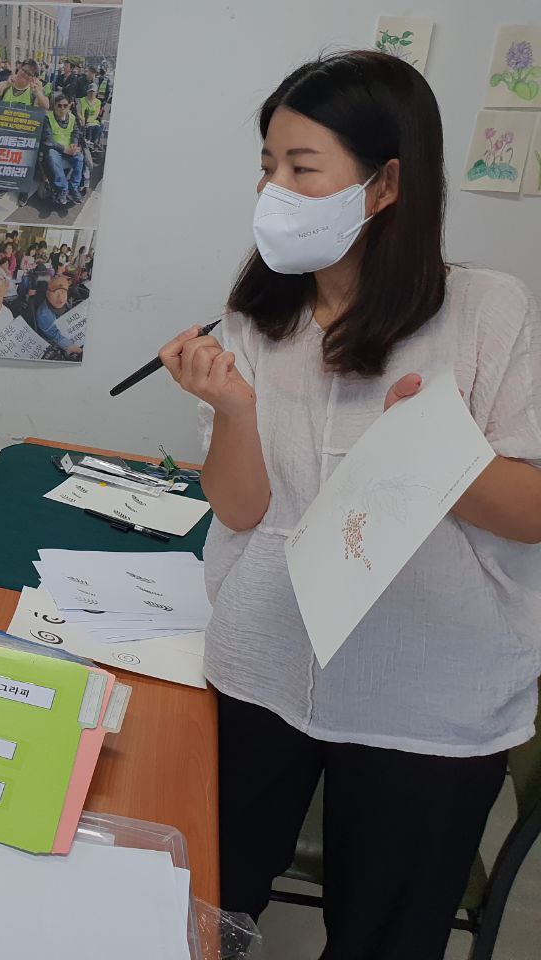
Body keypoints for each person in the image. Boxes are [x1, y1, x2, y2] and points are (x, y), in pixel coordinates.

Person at [156, 51, 541, 959]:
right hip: (262, 669)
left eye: (300, 167)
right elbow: (241, 509)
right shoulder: (260, 314)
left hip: (427, 702)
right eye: (267, 164)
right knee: (214, 911)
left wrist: (444, 453)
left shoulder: (487, 312)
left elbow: (530, 511)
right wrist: (234, 412)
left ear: (385, 183)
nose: (273, 188)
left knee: (383, 938)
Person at [42, 94, 85, 208]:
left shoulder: (72, 118)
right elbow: (48, 139)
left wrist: (74, 145)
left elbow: (76, 133)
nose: (62, 108)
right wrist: (65, 149)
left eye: (65, 106)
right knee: (51, 156)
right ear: (54, 106)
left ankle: (74, 188)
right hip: (55, 148)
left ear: (68, 107)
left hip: (69, 148)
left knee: (80, 158)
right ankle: (63, 189)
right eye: (59, 106)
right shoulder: (48, 117)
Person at [34, 274, 82, 356]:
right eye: (55, 292)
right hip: (54, 341)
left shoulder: (64, 303)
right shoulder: (44, 314)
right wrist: (72, 347)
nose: (61, 297)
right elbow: (55, 336)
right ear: (47, 293)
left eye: (63, 292)